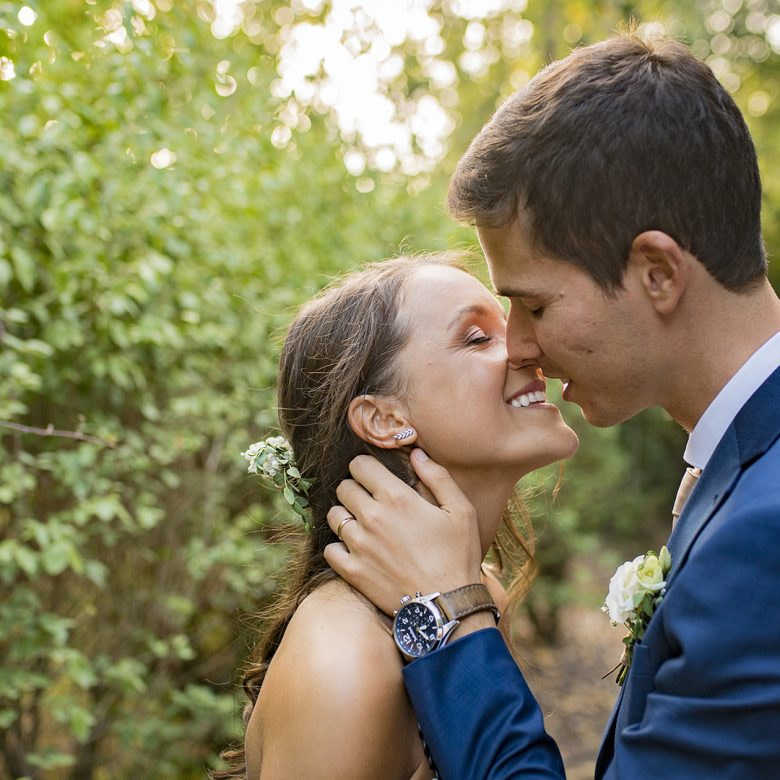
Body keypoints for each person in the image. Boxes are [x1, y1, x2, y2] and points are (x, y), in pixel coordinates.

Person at [323, 31, 780, 779]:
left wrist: (446, 615)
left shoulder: (766, 532)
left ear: (657, 273)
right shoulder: (744, 468)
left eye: (532, 305)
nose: (520, 345)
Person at [213, 254, 579, 779]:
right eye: (477, 338)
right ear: (386, 419)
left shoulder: (472, 600)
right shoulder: (343, 666)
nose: (530, 349)